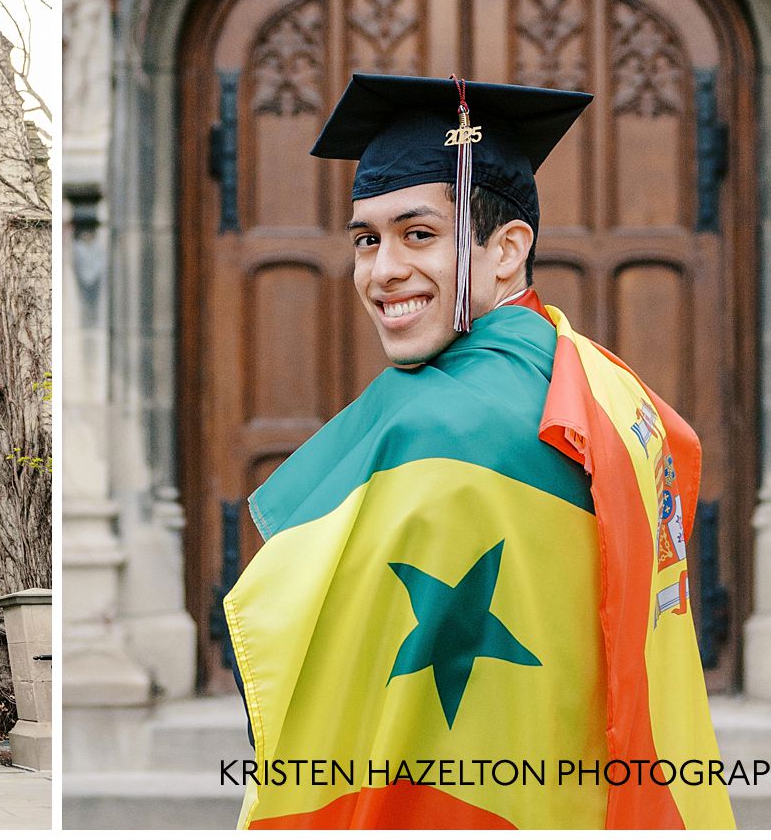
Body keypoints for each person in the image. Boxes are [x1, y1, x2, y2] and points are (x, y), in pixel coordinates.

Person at [223, 73, 733, 829]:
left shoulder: (428, 426)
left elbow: (296, 646)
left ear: (507, 249)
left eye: (418, 233)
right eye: (367, 239)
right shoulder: (606, 387)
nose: (382, 269)